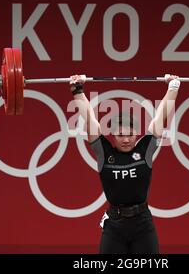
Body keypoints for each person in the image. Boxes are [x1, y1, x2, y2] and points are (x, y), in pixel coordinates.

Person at [69, 74, 181, 254]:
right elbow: (89, 118)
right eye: (121, 135)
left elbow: (162, 116)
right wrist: (77, 90)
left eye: (130, 134)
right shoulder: (104, 153)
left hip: (142, 225)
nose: (126, 139)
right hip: (114, 225)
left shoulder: (145, 150)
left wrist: (173, 87)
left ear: (137, 134)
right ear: (113, 136)